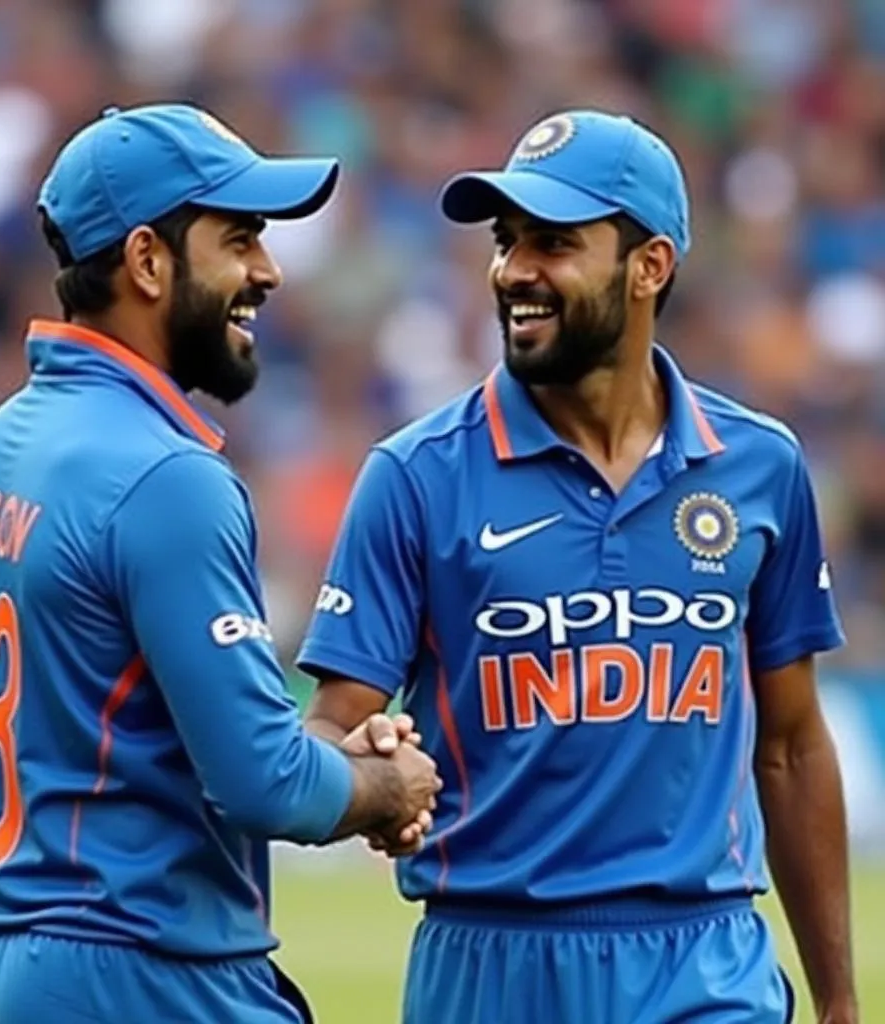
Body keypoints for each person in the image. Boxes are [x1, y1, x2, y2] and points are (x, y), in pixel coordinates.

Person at [298, 109, 857, 1023]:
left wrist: (837, 1001)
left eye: (554, 243)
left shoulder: (759, 467)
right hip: (488, 961)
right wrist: (359, 773)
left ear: (650, 267)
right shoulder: (415, 476)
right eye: (506, 240)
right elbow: (332, 723)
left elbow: (791, 745)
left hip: (705, 965)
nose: (515, 270)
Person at [0, 102, 441, 1024]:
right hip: (148, 977)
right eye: (238, 239)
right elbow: (262, 781)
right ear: (149, 261)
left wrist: (36, 919)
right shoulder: (166, 478)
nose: (267, 272)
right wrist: (385, 785)